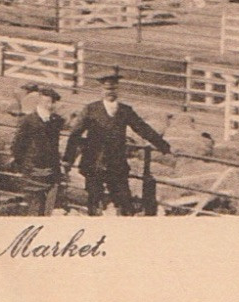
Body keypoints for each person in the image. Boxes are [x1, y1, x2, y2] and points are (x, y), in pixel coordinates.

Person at [63, 71, 171, 216]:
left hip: (117, 164)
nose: (110, 92)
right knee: (94, 201)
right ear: (102, 90)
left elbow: (142, 128)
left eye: (113, 89)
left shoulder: (125, 111)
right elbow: (75, 135)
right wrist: (68, 160)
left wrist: (163, 146)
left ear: (118, 90)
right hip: (94, 163)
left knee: (124, 201)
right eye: (107, 89)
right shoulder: (91, 109)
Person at [9, 87, 66, 216]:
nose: (49, 105)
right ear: (39, 102)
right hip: (33, 167)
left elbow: (55, 145)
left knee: (49, 204)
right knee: (35, 202)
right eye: (46, 102)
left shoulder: (56, 120)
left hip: (51, 167)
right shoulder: (28, 120)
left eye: (52, 102)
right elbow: (18, 144)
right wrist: (22, 163)